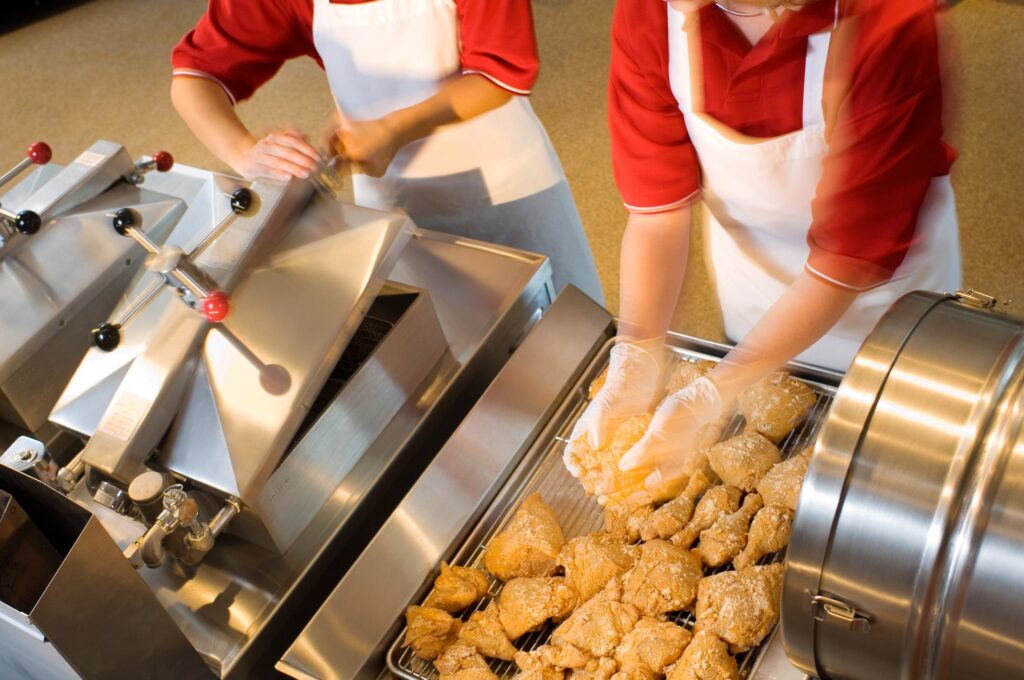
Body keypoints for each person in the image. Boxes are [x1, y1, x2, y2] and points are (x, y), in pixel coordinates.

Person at [568, 0, 961, 499]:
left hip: (883, 308)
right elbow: (657, 213)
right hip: (755, 291)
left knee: (901, 480)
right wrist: (637, 353)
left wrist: (713, 391)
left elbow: (849, 257)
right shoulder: (652, 12)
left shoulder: (887, 22)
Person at [169, 0, 603, 303]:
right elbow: (194, 78)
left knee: (567, 331)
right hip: (394, 199)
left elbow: (499, 73)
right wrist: (246, 153)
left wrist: (395, 129)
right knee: (445, 351)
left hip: (511, 186)